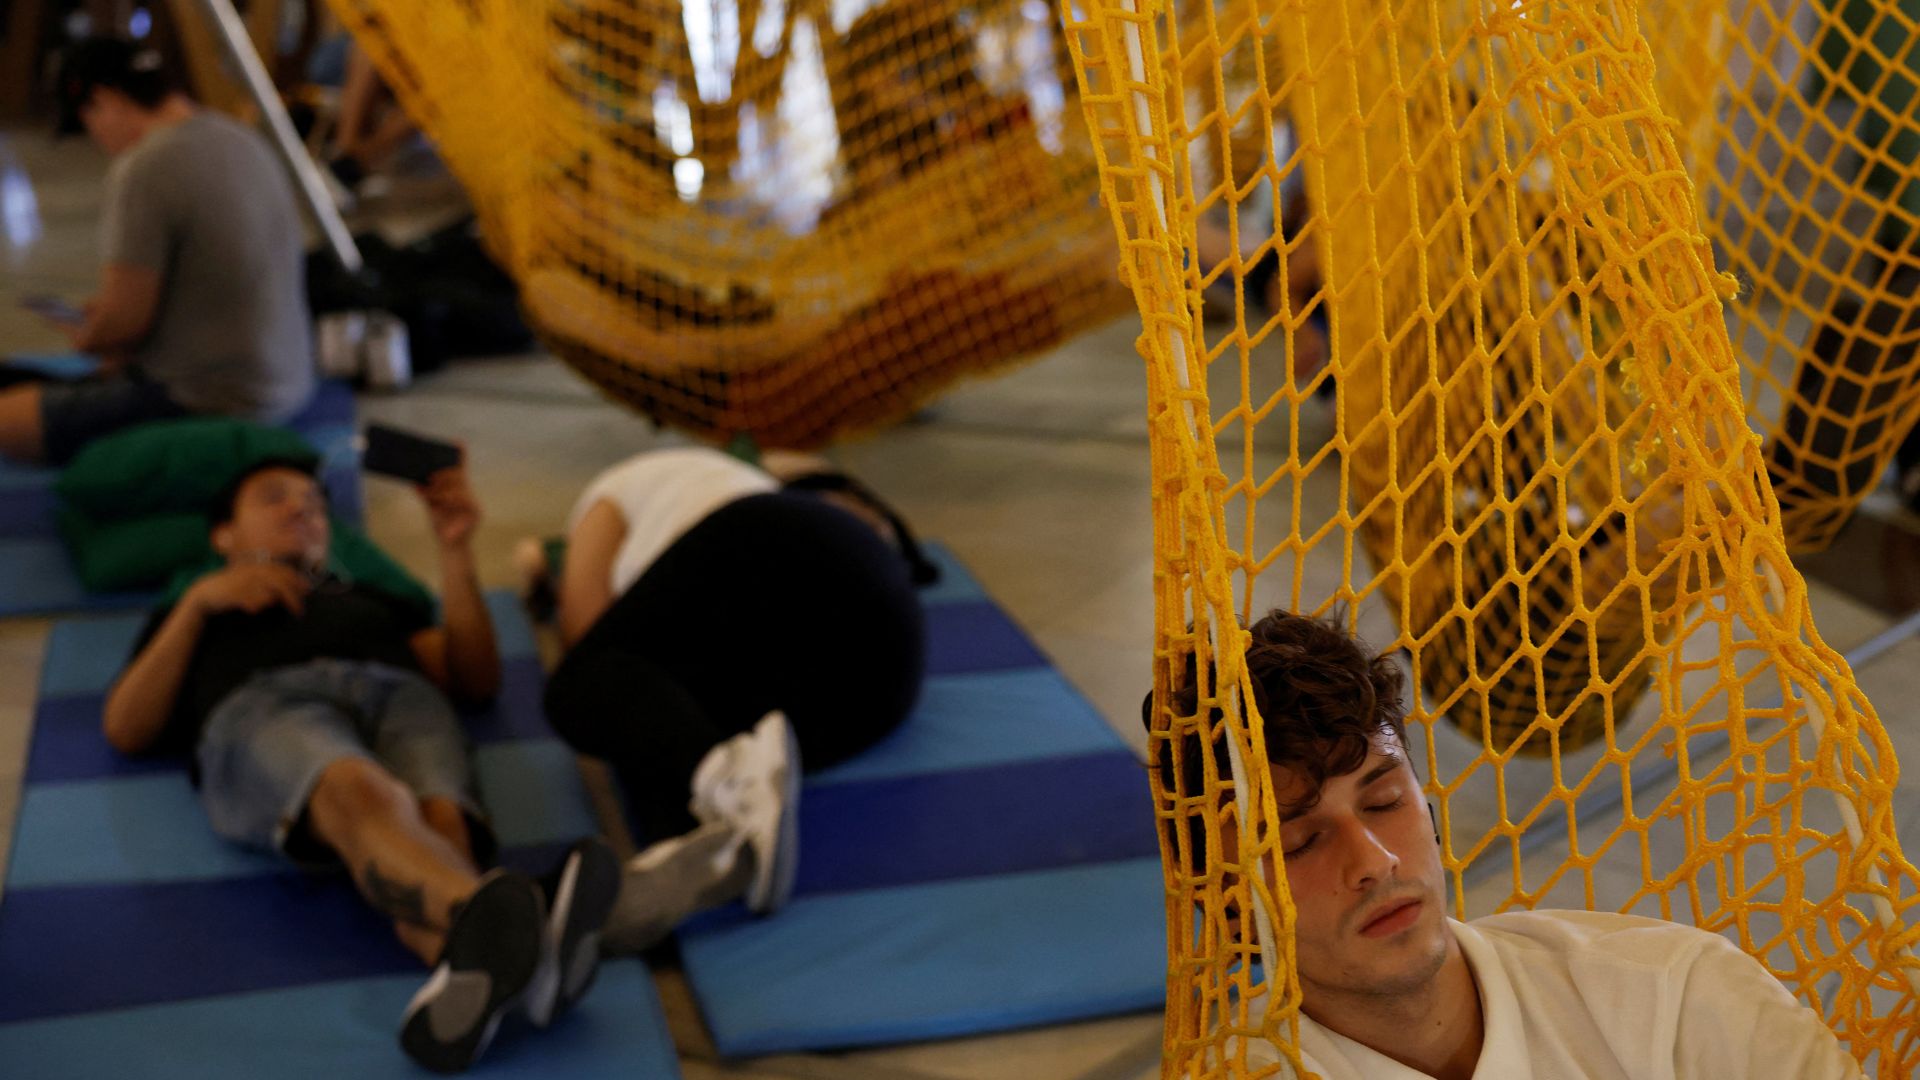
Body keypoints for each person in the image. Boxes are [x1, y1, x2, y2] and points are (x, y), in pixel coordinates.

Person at [1152, 609, 1864, 1079]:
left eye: (1384, 801)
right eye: (1303, 842)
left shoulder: (1670, 996)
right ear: (1231, 904)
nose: (1374, 861)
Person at [103, 457, 616, 1074]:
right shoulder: (197, 609)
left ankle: (502, 964)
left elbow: (474, 683)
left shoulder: (370, 599)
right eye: (274, 498)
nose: (303, 510)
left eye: (315, 504)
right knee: (356, 788)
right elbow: (126, 728)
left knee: (442, 827)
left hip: (402, 696)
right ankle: (514, 924)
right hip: (269, 702)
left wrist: (454, 552)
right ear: (224, 536)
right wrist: (196, 606)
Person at [527, 445, 931, 950]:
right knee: (661, 738)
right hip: (876, 685)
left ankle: (732, 784)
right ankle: (703, 845)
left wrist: (560, 583)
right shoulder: (726, 485)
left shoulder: (611, 491)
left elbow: (583, 630)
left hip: (794, 555)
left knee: (577, 689)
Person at [0, 38, 315, 464]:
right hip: (290, 381)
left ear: (104, 99)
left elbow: (125, 325)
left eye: (87, 121)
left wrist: (92, 332)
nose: (96, 139)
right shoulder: (238, 136)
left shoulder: (146, 166)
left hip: (215, 401)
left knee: (9, 421)